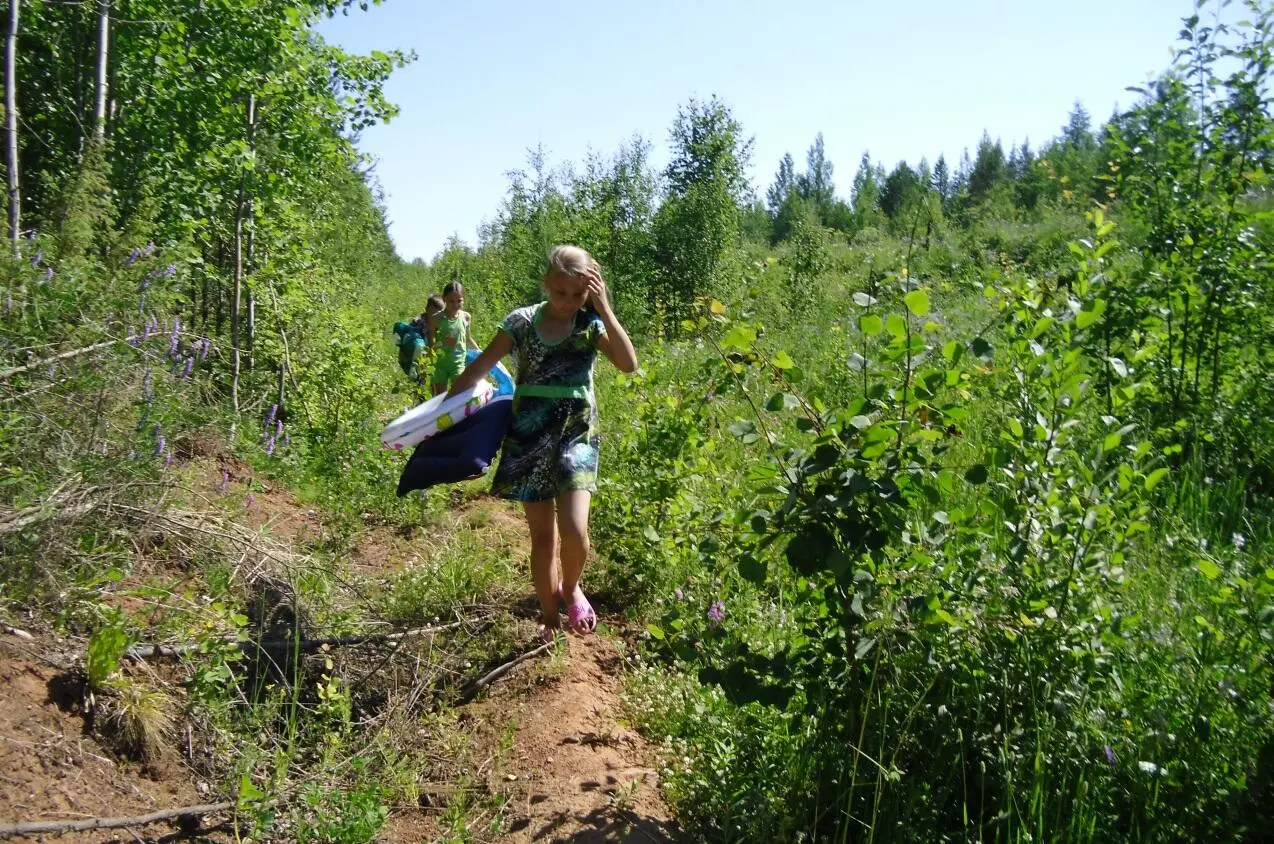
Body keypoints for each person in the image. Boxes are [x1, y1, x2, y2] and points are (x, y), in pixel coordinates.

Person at [447, 245, 637, 643]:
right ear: (546, 284)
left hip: (577, 433)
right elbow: (476, 371)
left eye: (578, 294)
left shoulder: (591, 323)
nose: (568, 303)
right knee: (542, 537)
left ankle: (571, 588)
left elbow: (627, 363)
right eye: (560, 293)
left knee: (574, 529)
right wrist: (437, 418)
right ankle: (550, 618)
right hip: (529, 436)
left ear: (591, 291)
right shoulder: (521, 322)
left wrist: (604, 308)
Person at [430, 283, 481, 396]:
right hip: (440, 364)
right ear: (444, 300)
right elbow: (431, 341)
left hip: (458, 363)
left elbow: (468, 338)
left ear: (463, 300)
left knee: (460, 394)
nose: (455, 304)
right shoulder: (437, 318)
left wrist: (479, 352)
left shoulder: (466, 317)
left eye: (459, 301)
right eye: (451, 301)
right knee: (439, 397)